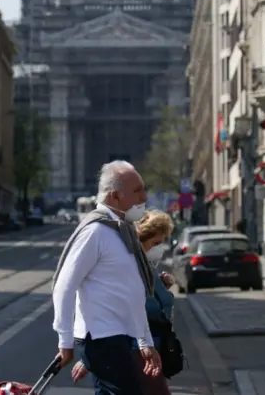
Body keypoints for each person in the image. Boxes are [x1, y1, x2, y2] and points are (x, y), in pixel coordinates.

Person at [52, 160, 162, 395]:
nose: (144, 197)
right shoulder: (95, 232)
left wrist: (145, 341)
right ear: (115, 197)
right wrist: (65, 341)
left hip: (117, 336)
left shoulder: (122, 231)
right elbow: (64, 286)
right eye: (136, 191)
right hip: (101, 338)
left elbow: (133, 291)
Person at [70, 210, 177, 395]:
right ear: (143, 239)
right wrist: (91, 358)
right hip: (137, 353)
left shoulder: (145, 266)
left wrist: (162, 286)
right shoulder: (131, 266)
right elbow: (121, 308)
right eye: (157, 243)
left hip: (146, 351)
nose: (160, 248)